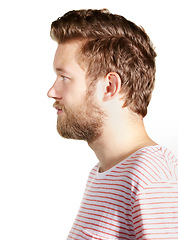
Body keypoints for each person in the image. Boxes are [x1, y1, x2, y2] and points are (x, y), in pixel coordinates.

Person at [47, 9, 178, 240]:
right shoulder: (101, 174)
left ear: (109, 87)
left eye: (64, 77)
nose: (52, 92)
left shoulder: (152, 178)